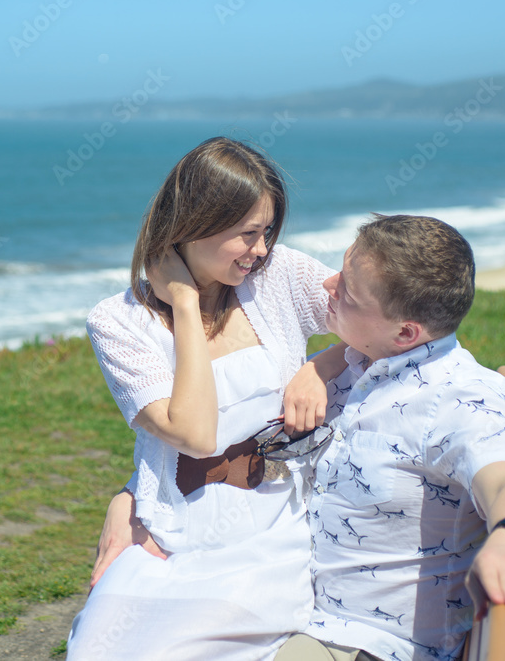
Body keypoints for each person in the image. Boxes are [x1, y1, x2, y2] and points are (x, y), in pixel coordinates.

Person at [65, 137, 346, 660]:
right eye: (247, 234)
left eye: (267, 232)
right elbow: (194, 435)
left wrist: (318, 366)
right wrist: (187, 305)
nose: (261, 249)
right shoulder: (118, 323)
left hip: (269, 534)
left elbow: (381, 311)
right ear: (193, 224)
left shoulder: (277, 277)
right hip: (171, 532)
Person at [274, 214, 505, 661]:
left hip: (368, 642)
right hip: (289, 607)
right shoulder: (357, 362)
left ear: (406, 333)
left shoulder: (461, 400)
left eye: (347, 290)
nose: (328, 285)